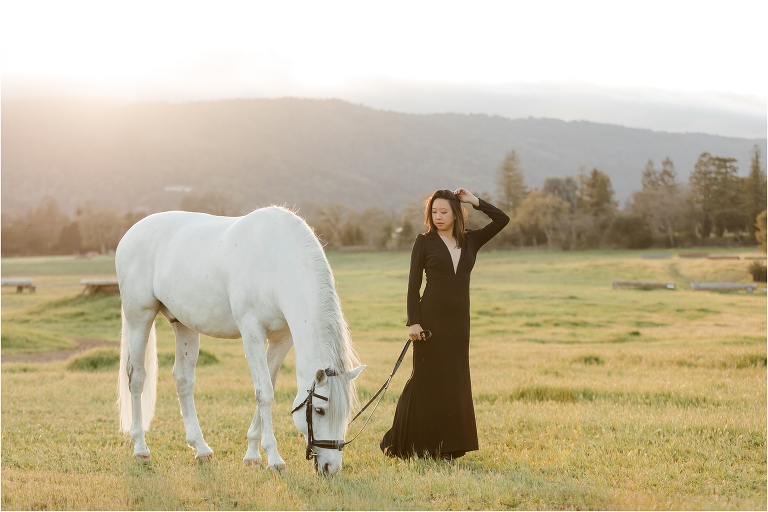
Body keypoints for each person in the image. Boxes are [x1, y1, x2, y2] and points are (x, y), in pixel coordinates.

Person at [380, 188, 509, 460]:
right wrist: (413, 322)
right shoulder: (424, 242)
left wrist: (475, 201)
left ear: (455, 213)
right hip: (430, 322)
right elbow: (413, 284)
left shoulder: (471, 240)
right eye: (433, 212)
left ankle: (449, 448)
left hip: (460, 323)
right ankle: (408, 442)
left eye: (443, 212)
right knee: (425, 380)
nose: (437, 217)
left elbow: (502, 220)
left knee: (455, 382)